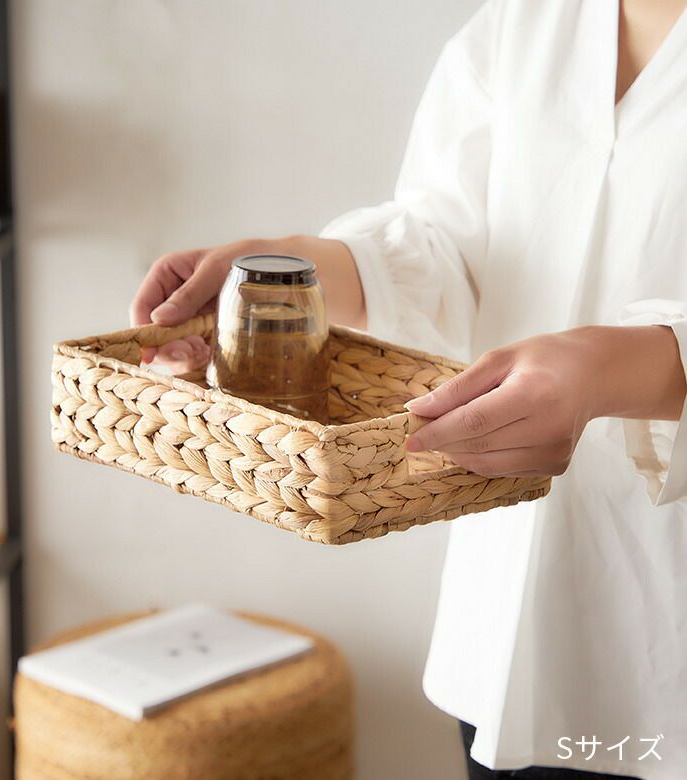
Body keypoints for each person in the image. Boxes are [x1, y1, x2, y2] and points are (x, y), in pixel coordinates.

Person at [130, 0, 687, 777]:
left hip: (666, 637)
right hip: (504, 628)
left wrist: (610, 368)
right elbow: (447, 244)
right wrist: (291, 271)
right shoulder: (521, 25)